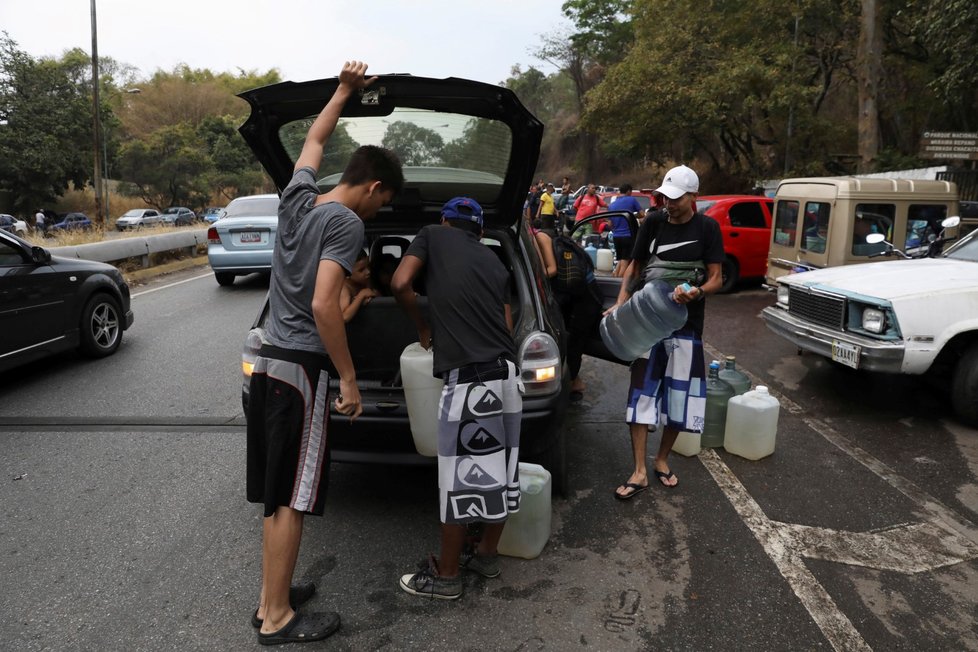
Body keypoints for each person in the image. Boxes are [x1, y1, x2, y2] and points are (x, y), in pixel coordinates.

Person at [246, 60, 404, 645]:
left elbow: (314, 138)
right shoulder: (345, 224)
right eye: (382, 204)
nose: (378, 213)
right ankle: (278, 620)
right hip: (301, 370)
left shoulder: (298, 197)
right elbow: (322, 306)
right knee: (292, 497)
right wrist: (349, 377)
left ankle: (273, 598)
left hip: (267, 361)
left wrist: (343, 91)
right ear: (374, 187)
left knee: (275, 490)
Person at [391, 196, 522, 601]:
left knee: (458, 483)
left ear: (445, 221)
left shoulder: (431, 235)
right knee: (501, 470)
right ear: (480, 231)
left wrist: (423, 324)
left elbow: (399, 283)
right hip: (508, 376)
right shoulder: (496, 263)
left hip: (470, 383)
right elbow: (506, 324)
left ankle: (447, 577)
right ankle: (486, 555)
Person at [606, 165, 723, 500]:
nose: (668, 204)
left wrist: (698, 292)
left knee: (679, 399)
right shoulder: (654, 221)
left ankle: (661, 459)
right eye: (665, 197)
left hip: (686, 325)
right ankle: (639, 471)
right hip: (646, 323)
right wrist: (620, 303)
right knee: (641, 394)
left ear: (693, 197)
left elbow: (716, 277)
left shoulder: (707, 228)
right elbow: (636, 265)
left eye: (675, 198)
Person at [606, 184, 645, 277]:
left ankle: (614, 276)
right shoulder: (631, 200)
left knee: (621, 260)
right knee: (625, 262)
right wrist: (632, 216)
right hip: (627, 236)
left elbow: (610, 224)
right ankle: (618, 284)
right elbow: (642, 214)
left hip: (616, 237)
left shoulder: (612, 205)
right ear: (628, 191)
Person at [339, 250, 378, 322]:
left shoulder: (365, 280)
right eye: (361, 270)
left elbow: (373, 293)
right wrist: (361, 296)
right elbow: (344, 317)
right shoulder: (344, 288)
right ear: (347, 273)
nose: (368, 272)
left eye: (368, 267)